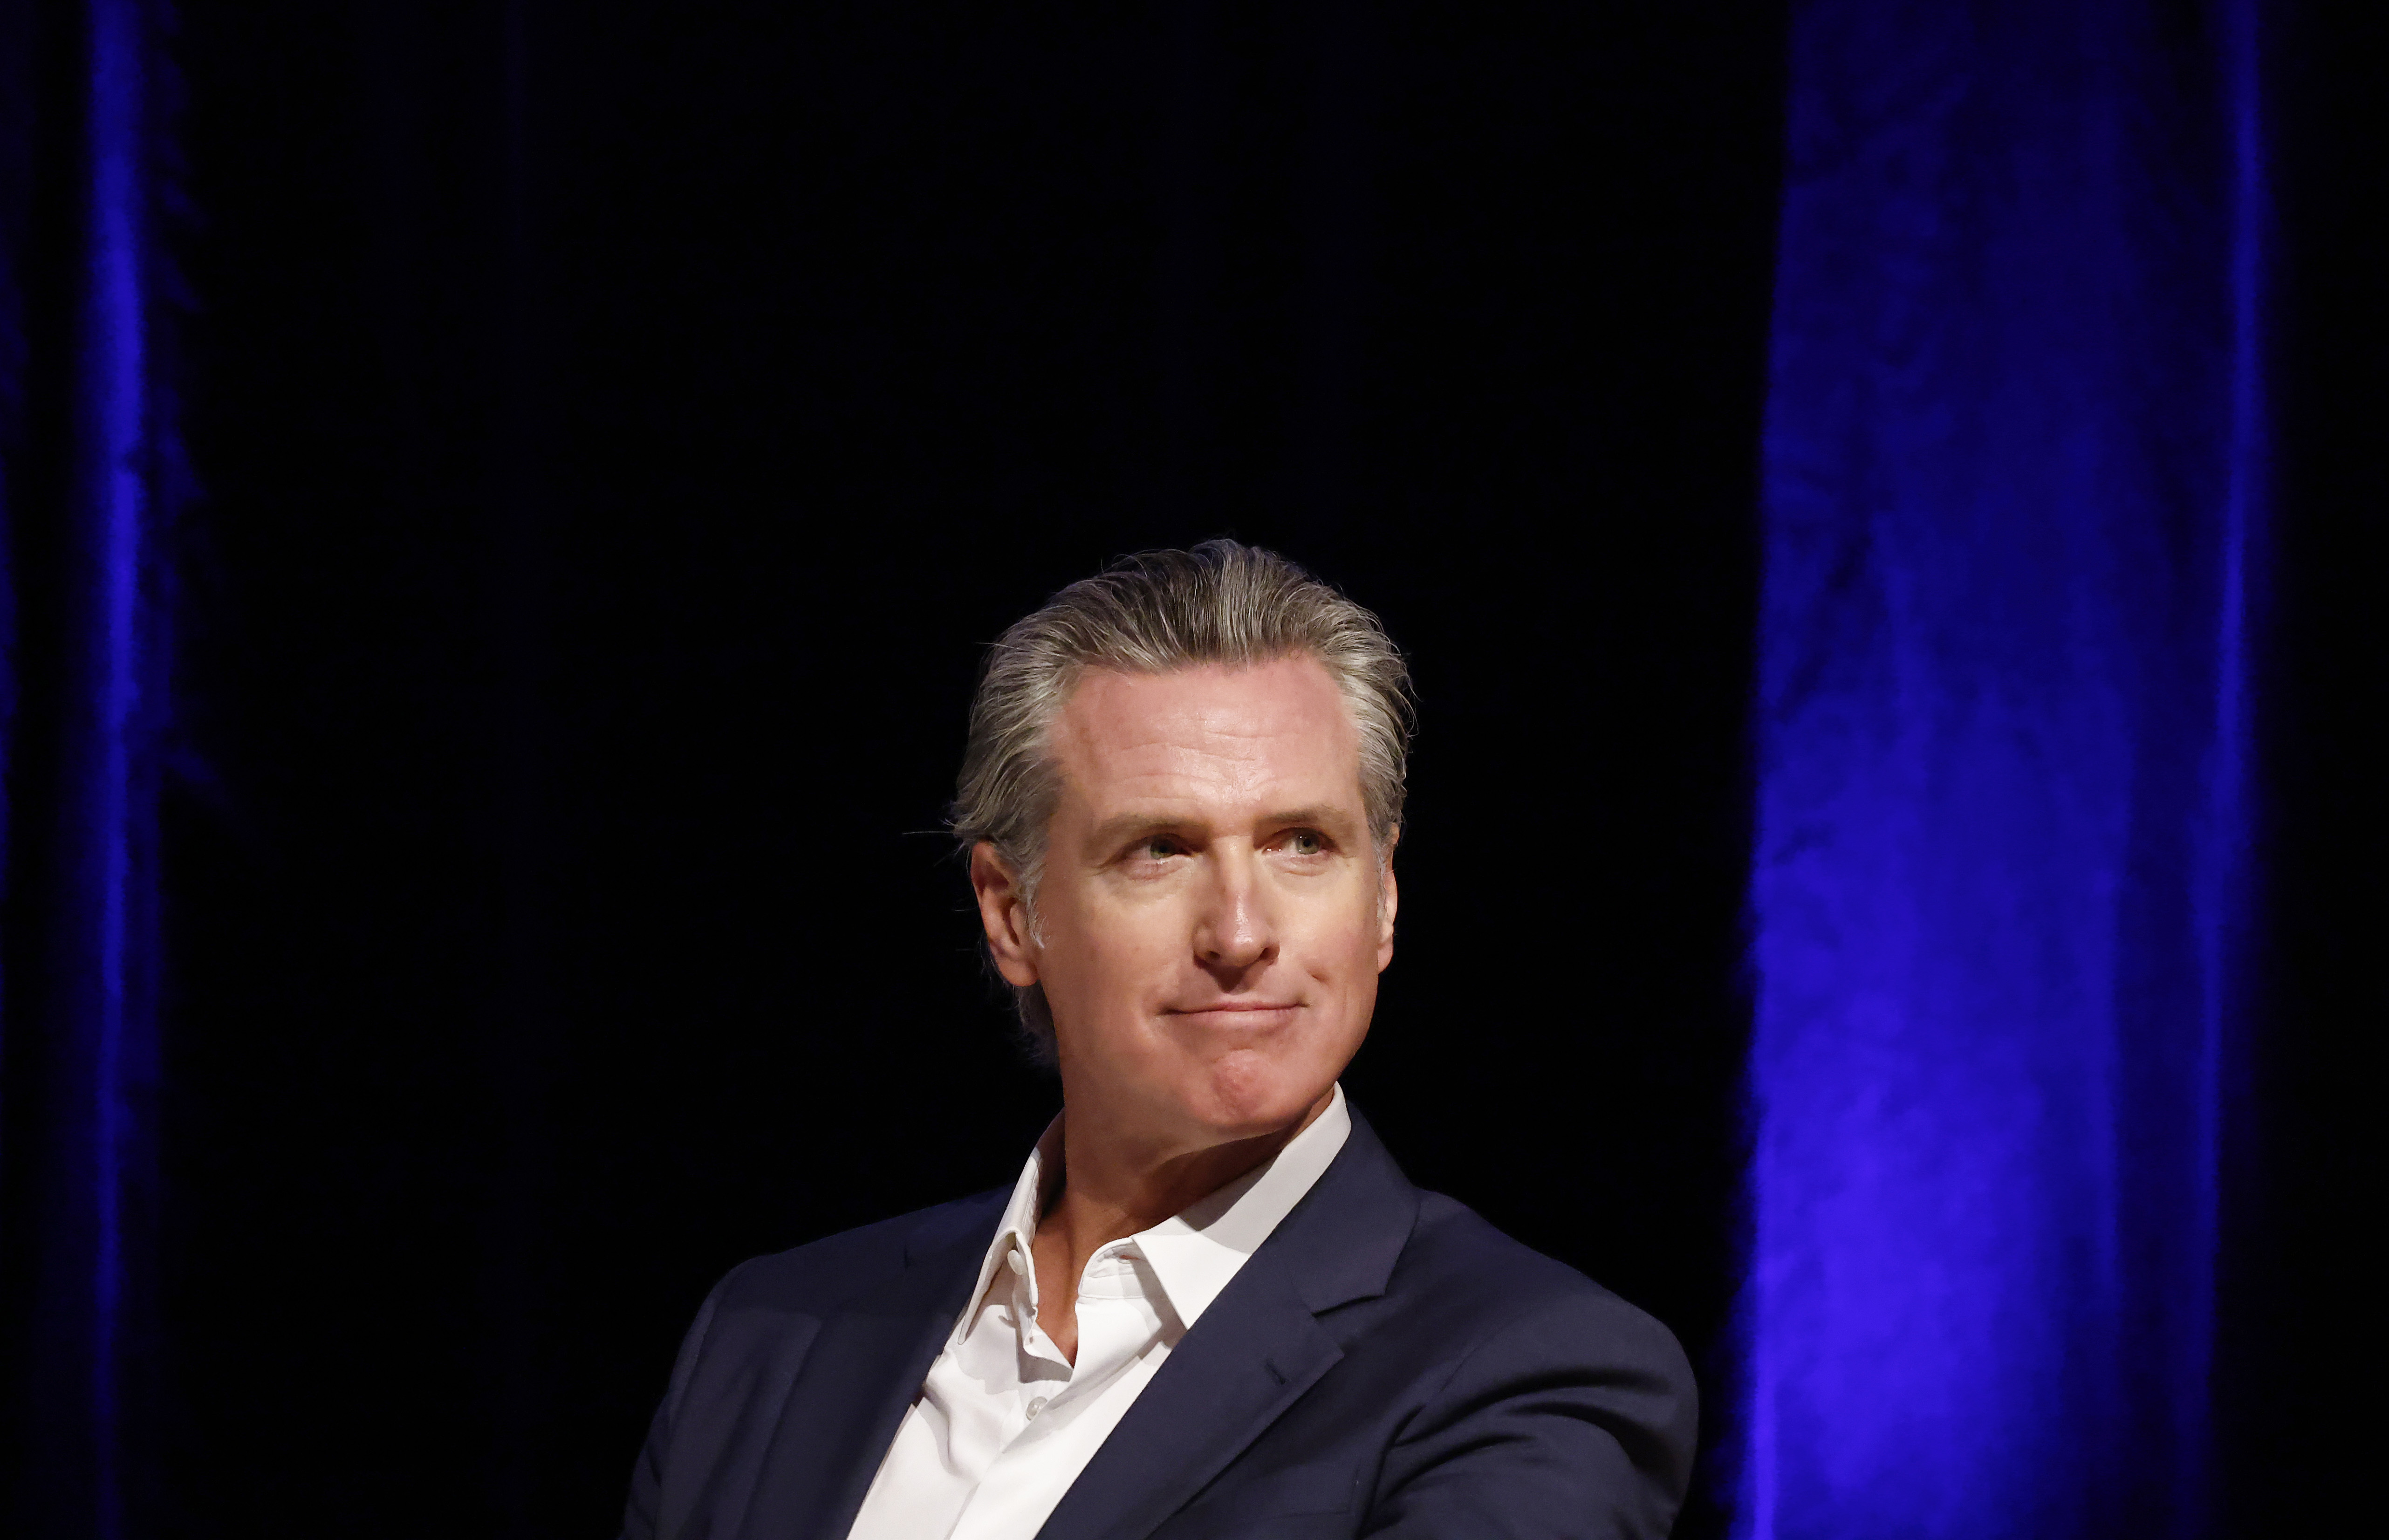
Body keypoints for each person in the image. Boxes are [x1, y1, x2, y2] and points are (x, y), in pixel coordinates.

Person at [618, 541, 1696, 1540]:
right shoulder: (765, 1338)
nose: (1239, 933)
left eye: (1302, 844)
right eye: (1160, 850)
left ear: (1383, 901)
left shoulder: (1534, 1370)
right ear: (1010, 914)